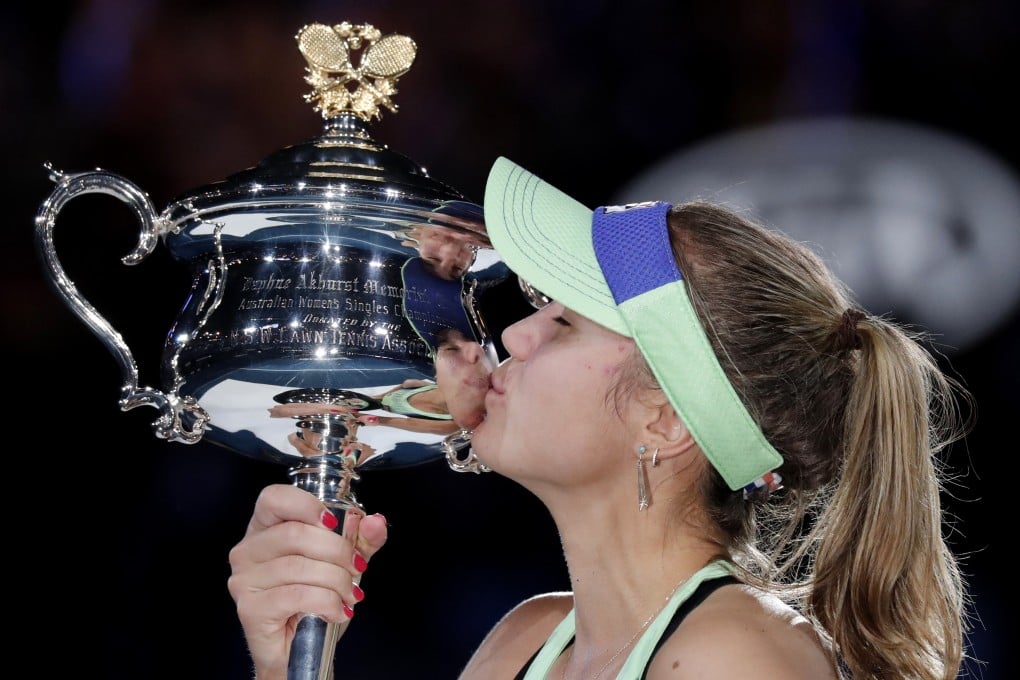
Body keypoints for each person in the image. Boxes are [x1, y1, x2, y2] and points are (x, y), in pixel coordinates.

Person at [227, 156, 975, 679]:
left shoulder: (740, 659)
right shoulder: (530, 637)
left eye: (563, 323)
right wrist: (292, 659)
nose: (515, 335)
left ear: (664, 421)